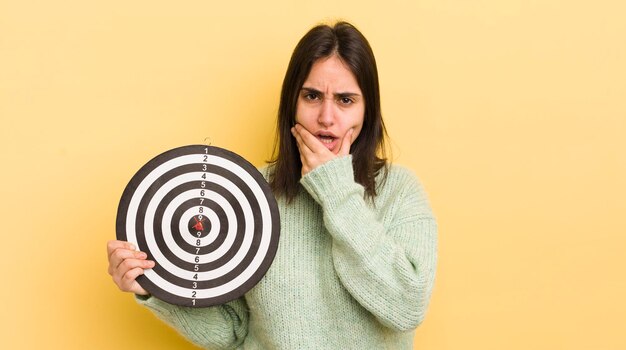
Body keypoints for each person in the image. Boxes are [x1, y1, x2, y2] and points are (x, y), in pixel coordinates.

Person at [107, 21, 437, 349]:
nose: (326, 117)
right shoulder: (251, 193)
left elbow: (405, 309)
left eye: (345, 100)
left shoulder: (401, 192)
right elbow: (233, 330)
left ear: (368, 110)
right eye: (312, 96)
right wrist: (154, 286)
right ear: (292, 103)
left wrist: (336, 190)